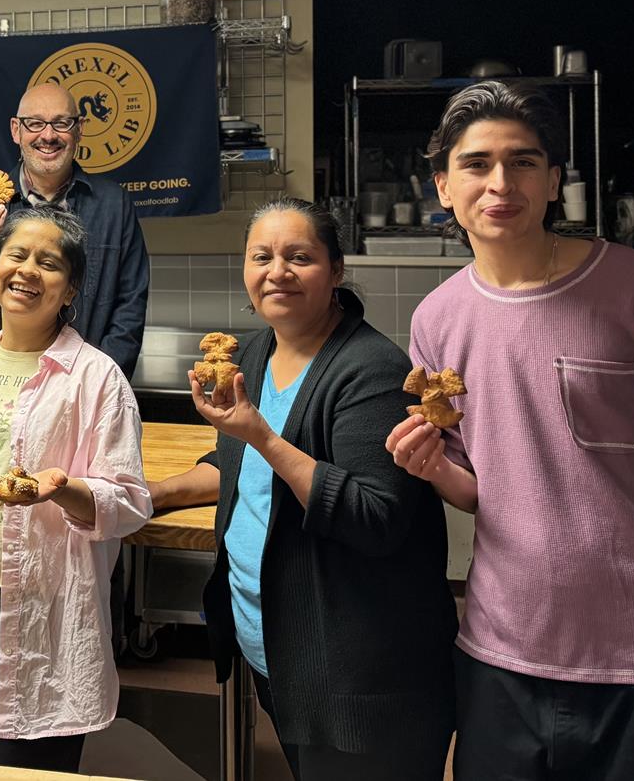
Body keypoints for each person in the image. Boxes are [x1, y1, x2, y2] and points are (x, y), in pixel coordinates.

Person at [388, 81, 634, 781]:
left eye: (523, 162)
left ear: (554, 182)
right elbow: (478, 489)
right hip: (503, 657)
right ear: (443, 187)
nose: (501, 183)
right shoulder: (437, 319)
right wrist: (431, 468)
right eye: (477, 164)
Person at [196, 197, 457, 781]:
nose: (277, 272)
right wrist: (147, 496)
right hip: (281, 654)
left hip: (360, 679)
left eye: (299, 257)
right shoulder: (253, 354)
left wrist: (261, 436)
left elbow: (375, 517)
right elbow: (236, 464)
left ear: (336, 270)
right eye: (261, 256)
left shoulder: (371, 370)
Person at [0, 207, 151, 772]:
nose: (27, 271)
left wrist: (63, 490)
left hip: (41, 604)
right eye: (16, 255)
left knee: (25, 768)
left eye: (48, 263)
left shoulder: (96, 378)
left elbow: (128, 502)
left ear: (69, 289)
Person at [0, 83, 149, 378]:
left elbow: (130, 306)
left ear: (79, 129)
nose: (48, 135)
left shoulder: (114, 205)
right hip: (8, 379)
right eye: (35, 123)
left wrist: (101, 379)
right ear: (16, 130)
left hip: (86, 381)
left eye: (61, 123)